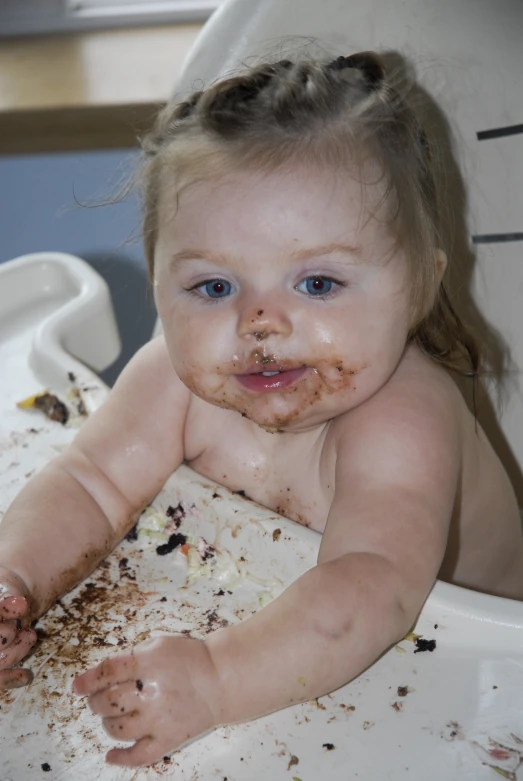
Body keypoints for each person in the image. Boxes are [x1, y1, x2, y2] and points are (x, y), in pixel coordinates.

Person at [1, 50, 522, 768]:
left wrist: (218, 679)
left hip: (470, 686)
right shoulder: (175, 381)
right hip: (265, 625)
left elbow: (369, 585)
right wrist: (16, 579)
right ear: (159, 285)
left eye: (316, 281)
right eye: (214, 288)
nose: (261, 323)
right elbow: (89, 482)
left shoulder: (402, 418)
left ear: (419, 286)